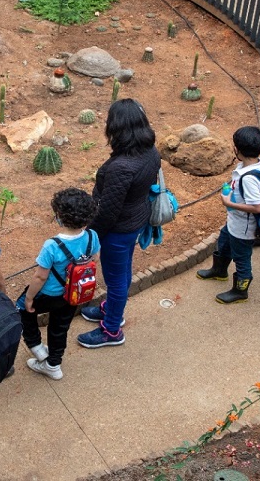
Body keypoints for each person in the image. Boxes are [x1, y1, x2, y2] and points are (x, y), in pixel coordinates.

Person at [77, 98, 162, 349]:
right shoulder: (150, 152)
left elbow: (108, 212)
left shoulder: (122, 167)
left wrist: (91, 236)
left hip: (118, 230)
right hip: (136, 219)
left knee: (115, 279)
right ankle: (113, 309)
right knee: (123, 271)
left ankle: (112, 329)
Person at [20, 188, 99, 380]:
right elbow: (94, 260)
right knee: (60, 328)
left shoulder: (52, 245)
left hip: (49, 293)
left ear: (59, 216)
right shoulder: (92, 236)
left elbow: (40, 277)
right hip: (73, 294)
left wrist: (29, 298)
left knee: (22, 309)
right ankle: (53, 364)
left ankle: (37, 347)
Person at [197, 127, 260, 304]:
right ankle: (219, 271)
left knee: (242, 258)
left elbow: (257, 207)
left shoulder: (249, 178)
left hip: (243, 228)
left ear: (238, 150)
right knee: (224, 242)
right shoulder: (256, 164)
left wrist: (229, 203)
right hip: (234, 222)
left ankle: (240, 291)